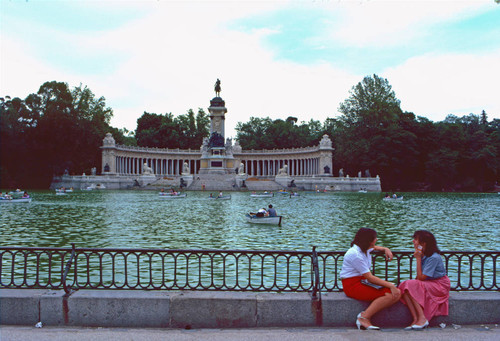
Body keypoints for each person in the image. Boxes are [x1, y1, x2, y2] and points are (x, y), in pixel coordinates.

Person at [340, 228, 401, 330]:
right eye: (374, 238)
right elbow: (370, 277)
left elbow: (375, 248)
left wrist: (385, 249)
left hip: (363, 281)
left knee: (396, 293)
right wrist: (390, 285)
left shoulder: (364, 248)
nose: (376, 239)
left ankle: (364, 317)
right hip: (352, 285)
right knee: (392, 294)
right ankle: (363, 318)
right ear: (367, 241)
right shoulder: (355, 254)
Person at [398, 230, 450, 330]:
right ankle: (415, 319)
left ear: (423, 243)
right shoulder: (424, 255)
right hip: (430, 282)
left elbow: (421, 278)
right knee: (404, 287)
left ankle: (422, 318)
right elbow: (419, 278)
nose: (413, 241)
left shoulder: (433, 257)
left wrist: (418, 259)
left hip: (440, 284)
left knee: (409, 284)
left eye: (416, 239)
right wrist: (420, 257)